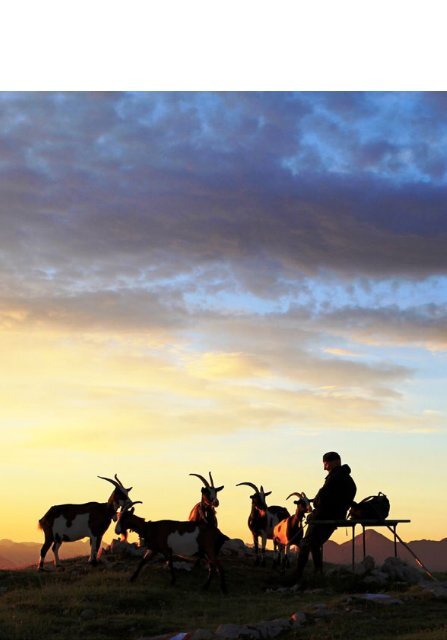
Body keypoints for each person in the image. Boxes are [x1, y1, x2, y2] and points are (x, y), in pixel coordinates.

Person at [291, 451, 356, 585]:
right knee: (315, 544)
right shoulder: (348, 479)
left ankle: (297, 577)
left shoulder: (334, 478)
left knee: (304, 544)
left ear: (334, 462)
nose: (324, 467)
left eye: (326, 464)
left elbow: (321, 499)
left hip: (323, 517)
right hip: (337, 516)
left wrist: (313, 504)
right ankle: (318, 574)